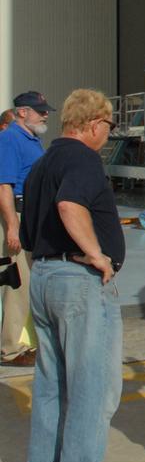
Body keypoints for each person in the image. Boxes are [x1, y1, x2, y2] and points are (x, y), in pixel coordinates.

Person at [20, 89, 126, 462]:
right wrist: (97, 254)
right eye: (108, 126)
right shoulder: (83, 159)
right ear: (94, 124)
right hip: (78, 282)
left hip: (45, 276)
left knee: (51, 384)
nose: (108, 134)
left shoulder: (43, 163)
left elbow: (30, 232)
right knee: (92, 387)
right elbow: (69, 205)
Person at [1, 91, 54, 367]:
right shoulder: (10, 139)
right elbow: (4, 186)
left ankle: (30, 341)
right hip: (20, 216)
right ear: (22, 112)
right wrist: (12, 227)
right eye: (40, 110)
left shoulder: (32, 139)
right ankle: (12, 348)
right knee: (18, 282)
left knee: (33, 281)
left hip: (34, 216)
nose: (45, 115)